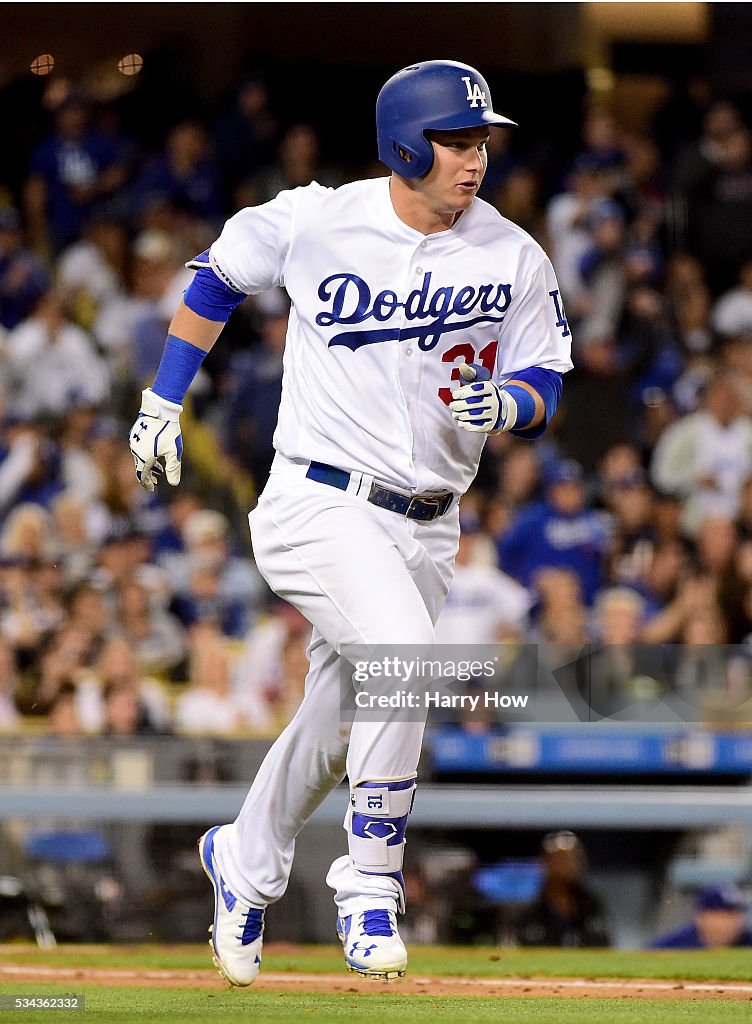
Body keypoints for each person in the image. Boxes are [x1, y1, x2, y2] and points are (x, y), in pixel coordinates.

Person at [128, 59, 572, 985]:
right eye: (456, 140)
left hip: (429, 523)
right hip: (317, 500)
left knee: (337, 725)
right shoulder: (317, 217)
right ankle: (370, 880)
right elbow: (215, 282)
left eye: (481, 140)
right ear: (406, 143)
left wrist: (512, 405)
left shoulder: (512, 252)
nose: (474, 158)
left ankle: (242, 859)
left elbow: (548, 374)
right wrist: (163, 402)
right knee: (405, 658)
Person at [514, 831, 610, 948]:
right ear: (545, 863)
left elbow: (601, 943)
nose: (566, 866)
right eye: (559, 859)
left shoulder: (591, 905)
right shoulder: (529, 908)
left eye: (572, 859)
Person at [650, 885, 752, 949]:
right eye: (723, 915)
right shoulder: (675, 945)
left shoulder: (747, 941)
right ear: (701, 917)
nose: (732, 922)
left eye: (735, 914)